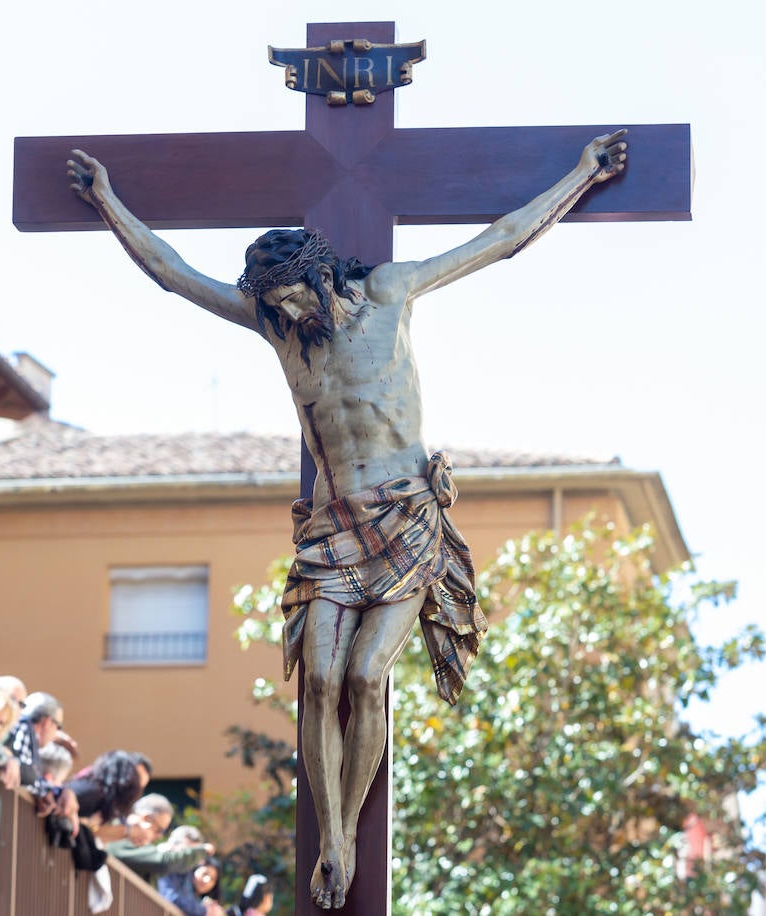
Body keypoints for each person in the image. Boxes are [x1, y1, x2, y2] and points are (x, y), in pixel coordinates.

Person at [67, 130, 628, 909]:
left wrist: (580, 176)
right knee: (320, 678)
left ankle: (346, 833)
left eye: (297, 299)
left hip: (406, 521)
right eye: (278, 308)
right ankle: (333, 839)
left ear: (322, 277)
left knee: (368, 676)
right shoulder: (277, 328)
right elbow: (172, 273)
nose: (291, 316)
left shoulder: (393, 293)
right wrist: (105, 201)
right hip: (332, 533)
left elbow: (498, 241)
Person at [158, 855, 225, 916]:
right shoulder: (178, 875)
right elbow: (171, 898)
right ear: (197, 867)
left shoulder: (201, 901)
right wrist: (205, 911)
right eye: (205, 874)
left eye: (212, 879)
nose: (206, 880)